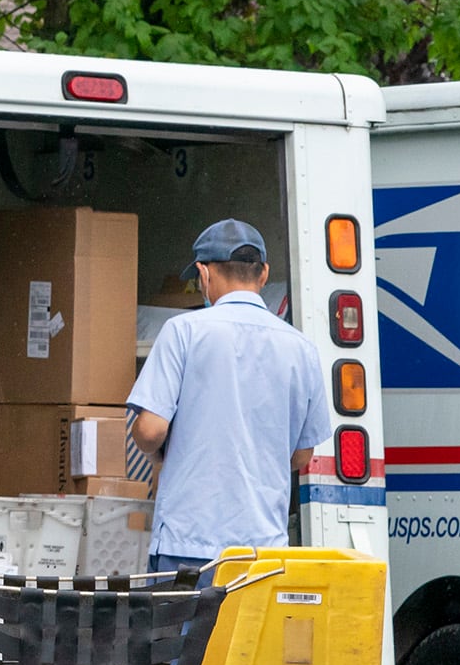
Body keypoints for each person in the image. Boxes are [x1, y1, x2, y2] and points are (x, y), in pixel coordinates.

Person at [127, 218, 330, 577]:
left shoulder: (183, 332)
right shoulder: (301, 348)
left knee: (186, 635)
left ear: (204, 275)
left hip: (188, 543)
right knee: (248, 636)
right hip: (262, 551)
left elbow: (150, 430)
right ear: (264, 274)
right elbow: (301, 455)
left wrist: (160, 447)